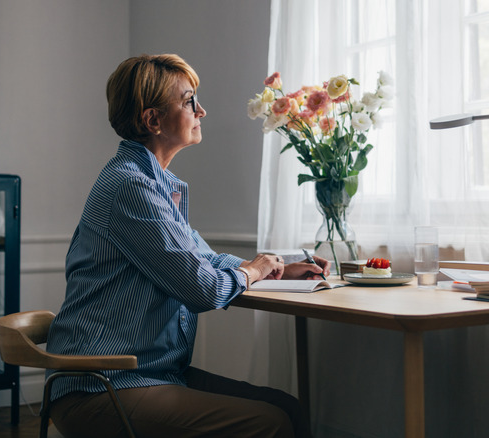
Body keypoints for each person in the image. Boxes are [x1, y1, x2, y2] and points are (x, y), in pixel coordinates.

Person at [46, 54, 329, 438]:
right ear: (153, 120)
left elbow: (204, 259)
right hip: (101, 386)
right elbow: (203, 286)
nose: (203, 111)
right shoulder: (131, 187)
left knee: (288, 408)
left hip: (147, 374)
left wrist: (275, 266)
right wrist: (254, 270)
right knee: (271, 423)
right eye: (189, 101)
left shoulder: (155, 183)